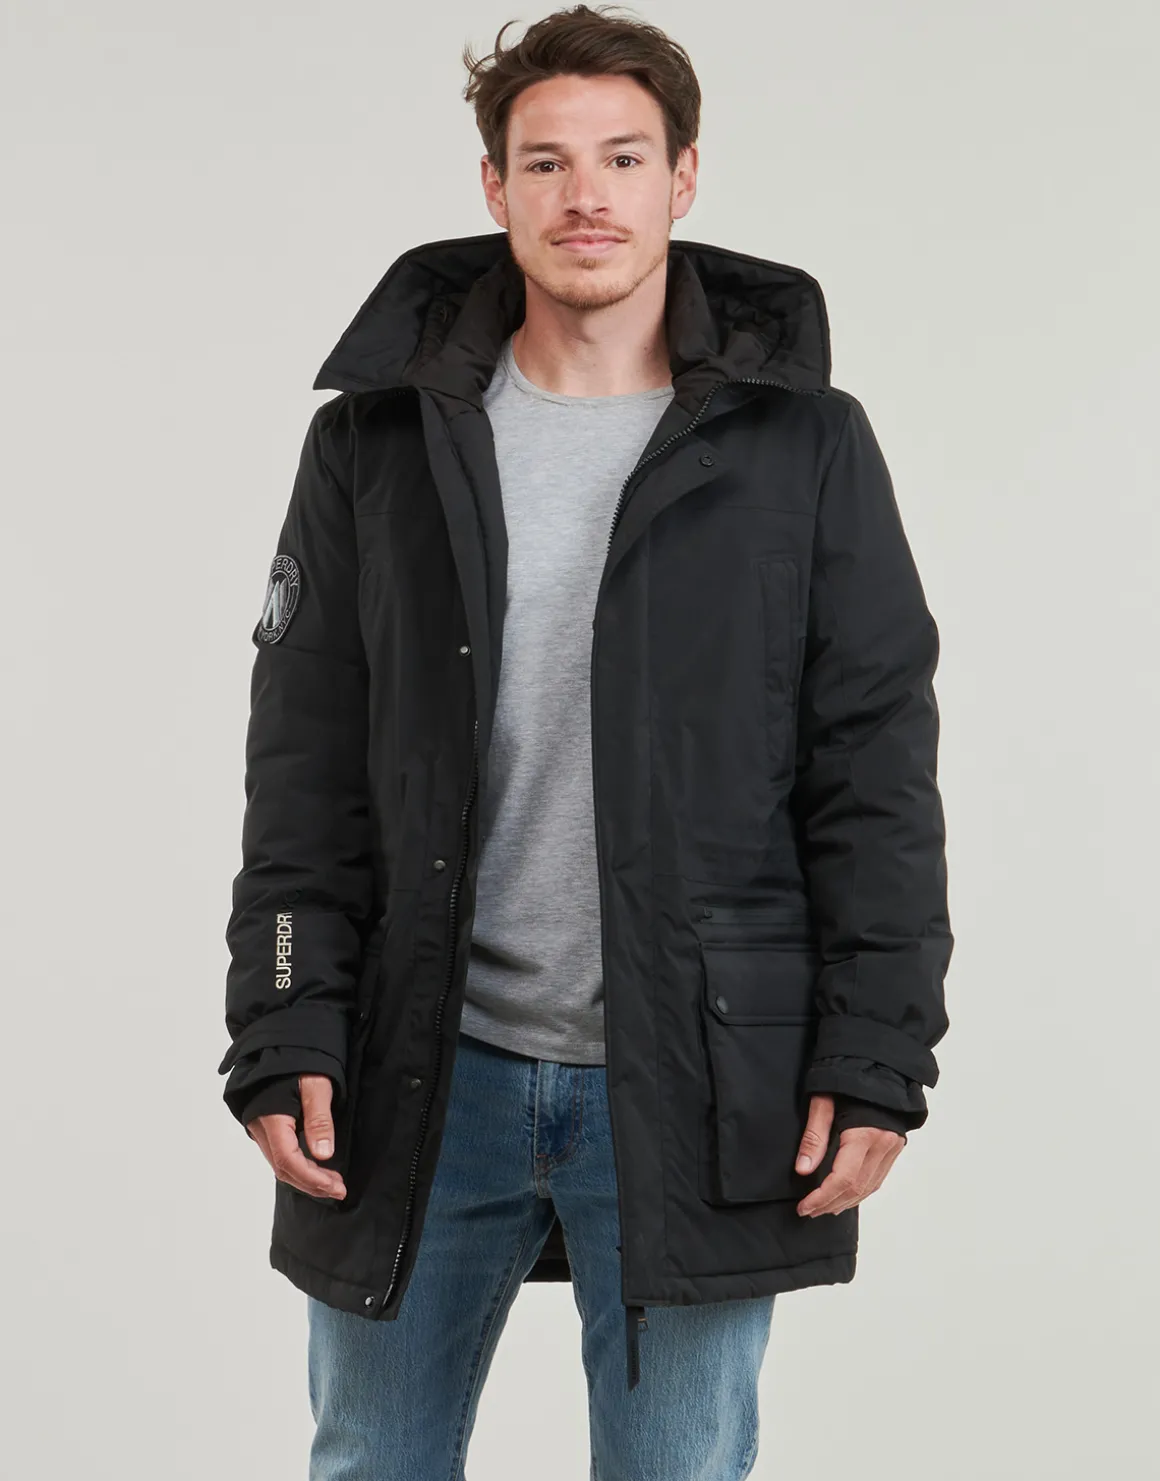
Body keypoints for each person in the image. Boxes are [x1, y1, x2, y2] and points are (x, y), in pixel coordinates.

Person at [217, 5, 953, 1477]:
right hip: (425, 1067)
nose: (586, 196)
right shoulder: (373, 442)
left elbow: (873, 768)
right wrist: (285, 1016)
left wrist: (878, 1051)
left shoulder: (805, 444)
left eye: (623, 156)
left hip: (700, 1071)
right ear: (496, 187)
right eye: (546, 162)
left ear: (685, 176)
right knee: (371, 1460)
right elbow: (304, 764)